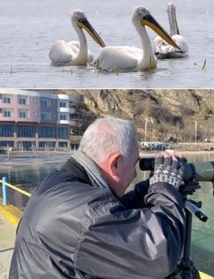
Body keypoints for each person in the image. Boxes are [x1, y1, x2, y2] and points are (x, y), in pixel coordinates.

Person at [10, 117, 187, 278]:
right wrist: (166, 186)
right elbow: (161, 256)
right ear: (115, 163)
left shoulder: (60, 182)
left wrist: (148, 188)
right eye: (134, 164)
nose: (134, 174)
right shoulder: (85, 213)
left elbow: (111, 214)